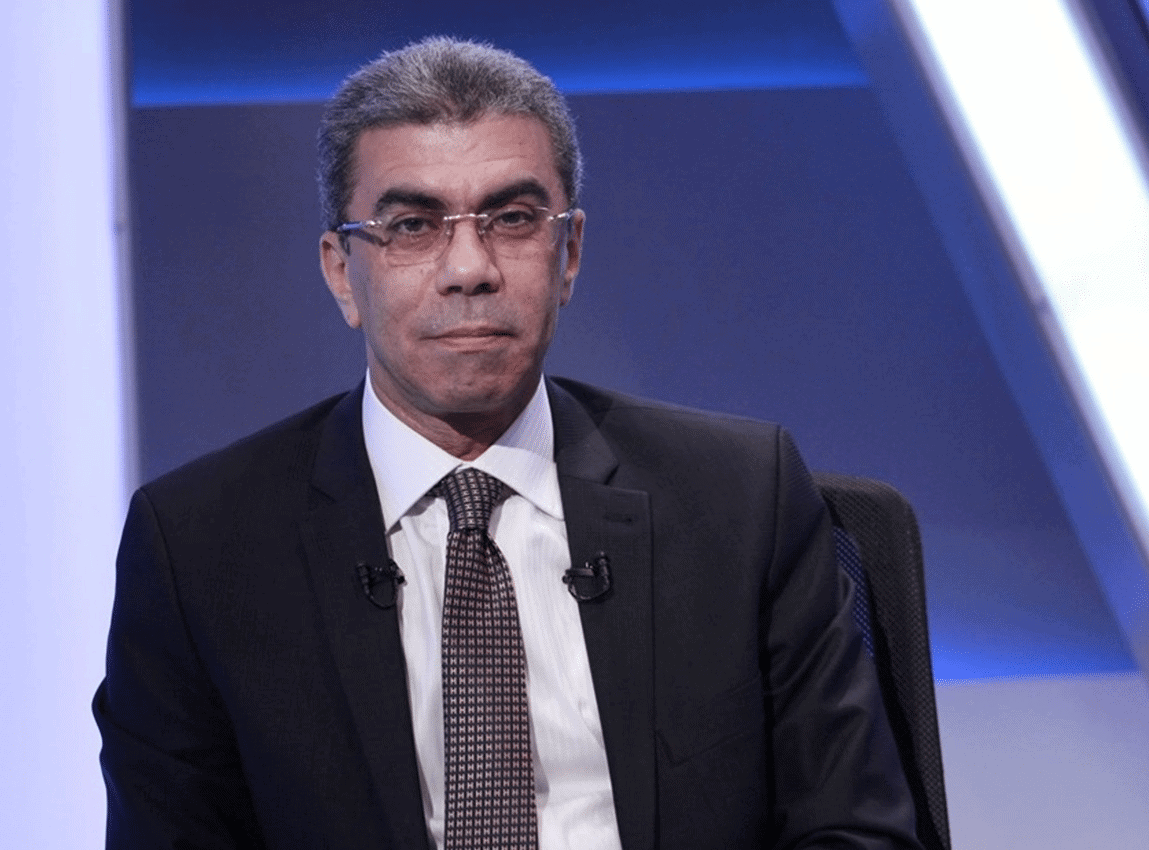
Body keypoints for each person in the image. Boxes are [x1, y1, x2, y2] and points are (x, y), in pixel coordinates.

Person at [93, 37, 922, 850]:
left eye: (514, 219)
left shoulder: (739, 500)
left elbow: (856, 830)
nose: (470, 268)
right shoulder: (202, 549)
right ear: (343, 272)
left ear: (569, 254)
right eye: (412, 225)